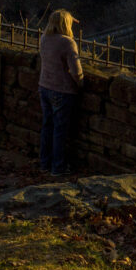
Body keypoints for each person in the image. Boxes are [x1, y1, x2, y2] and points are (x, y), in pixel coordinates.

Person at [36, 9, 83, 178]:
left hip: (44, 86)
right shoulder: (67, 43)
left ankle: (44, 163)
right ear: (65, 24)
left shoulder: (44, 38)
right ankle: (58, 167)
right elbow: (76, 71)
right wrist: (80, 84)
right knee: (60, 131)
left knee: (47, 127)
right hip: (62, 90)